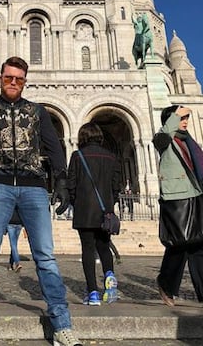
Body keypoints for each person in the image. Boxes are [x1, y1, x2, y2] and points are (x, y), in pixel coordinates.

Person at [0, 56, 82, 346]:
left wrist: (63, 182)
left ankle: (62, 325)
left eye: (18, 78)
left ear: (25, 81)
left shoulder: (37, 111)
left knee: (46, 258)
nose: (13, 82)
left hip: (34, 189)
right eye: (8, 78)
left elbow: (54, 149)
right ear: (0, 78)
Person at [153, 105, 203, 306]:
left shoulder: (189, 142)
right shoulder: (164, 140)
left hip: (197, 195)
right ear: (170, 120)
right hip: (177, 199)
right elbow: (161, 138)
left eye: (186, 117)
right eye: (181, 117)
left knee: (199, 245)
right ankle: (165, 283)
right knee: (179, 244)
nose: (185, 121)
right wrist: (175, 115)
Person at [67, 122, 121, 306]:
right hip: (105, 211)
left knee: (88, 250)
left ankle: (93, 293)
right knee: (104, 247)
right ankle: (110, 285)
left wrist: (77, 202)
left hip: (84, 212)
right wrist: (108, 205)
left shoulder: (77, 156)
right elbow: (116, 186)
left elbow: (71, 185)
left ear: (82, 137)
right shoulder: (111, 156)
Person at [6, 208, 23, 272]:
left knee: (13, 245)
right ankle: (10, 264)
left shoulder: (9, 202)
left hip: (10, 224)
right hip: (19, 224)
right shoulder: (20, 202)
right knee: (14, 245)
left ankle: (17, 263)